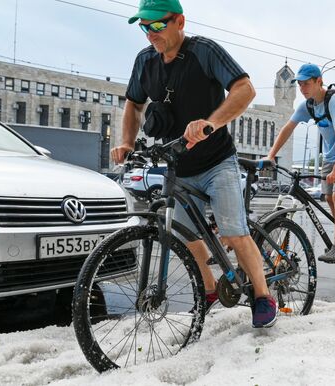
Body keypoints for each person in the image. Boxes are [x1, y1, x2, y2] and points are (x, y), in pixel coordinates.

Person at [110, 0, 277, 328]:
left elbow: (245, 89)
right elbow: (133, 103)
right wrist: (127, 142)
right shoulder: (145, 62)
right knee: (186, 237)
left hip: (217, 162)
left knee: (234, 231)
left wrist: (209, 123)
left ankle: (262, 295)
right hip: (178, 168)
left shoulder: (204, 52)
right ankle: (211, 291)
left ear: (179, 22)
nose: (150, 34)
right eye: (144, 27)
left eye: (157, 25)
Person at [266, 63, 335, 263]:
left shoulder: (334, 102)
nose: (302, 89)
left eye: (306, 84)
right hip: (329, 154)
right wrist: (271, 155)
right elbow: (287, 128)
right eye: (300, 85)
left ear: (319, 81)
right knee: (328, 198)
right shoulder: (307, 105)